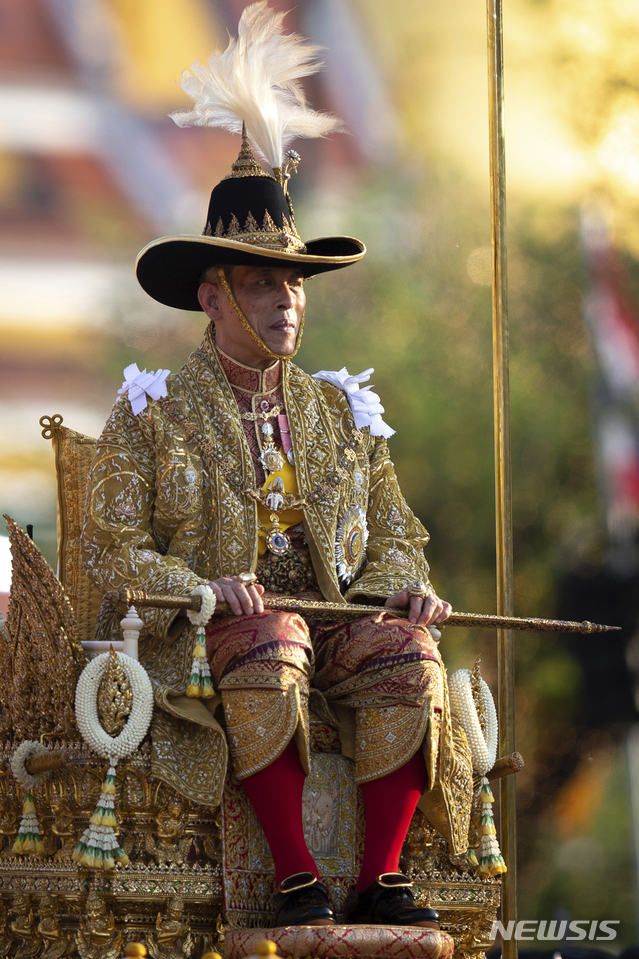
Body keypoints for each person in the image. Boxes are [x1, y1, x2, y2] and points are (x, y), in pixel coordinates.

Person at [81, 2, 473, 930]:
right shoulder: (152, 410)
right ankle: (295, 877)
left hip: (330, 627)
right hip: (206, 639)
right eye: (263, 282)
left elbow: (398, 535)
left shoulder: (342, 409)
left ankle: (378, 880)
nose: (287, 300)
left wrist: (401, 592)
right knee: (269, 642)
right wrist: (205, 588)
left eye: (293, 282)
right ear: (212, 296)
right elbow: (108, 550)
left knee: (406, 654)